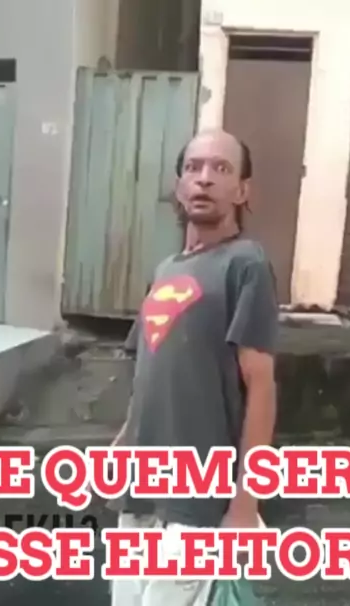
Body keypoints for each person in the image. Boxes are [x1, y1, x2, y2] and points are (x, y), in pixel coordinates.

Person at [108, 129, 279, 606]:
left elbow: (261, 387)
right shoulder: (165, 269)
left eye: (221, 168)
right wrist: (123, 440)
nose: (204, 178)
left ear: (242, 190)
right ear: (179, 185)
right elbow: (152, 368)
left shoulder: (246, 265)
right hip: (140, 490)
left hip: (198, 501)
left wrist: (245, 505)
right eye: (193, 167)